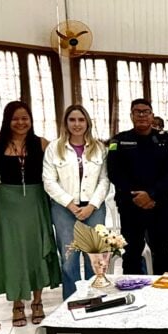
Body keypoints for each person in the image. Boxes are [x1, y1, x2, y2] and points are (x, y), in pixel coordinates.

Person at [0, 102, 61, 326]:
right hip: (8, 203)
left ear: (31, 120)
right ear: (7, 121)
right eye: (15, 119)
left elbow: (53, 173)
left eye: (25, 118)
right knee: (13, 251)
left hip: (36, 200)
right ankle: (17, 302)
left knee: (36, 248)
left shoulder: (42, 143)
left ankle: (37, 301)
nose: (20, 123)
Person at [43, 105, 110, 299]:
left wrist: (91, 206)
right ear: (65, 123)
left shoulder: (99, 148)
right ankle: (71, 302)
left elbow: (104, 180)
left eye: (81, 120)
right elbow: (49, 181)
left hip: (93, 208)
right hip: (64, 210)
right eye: (72, 120)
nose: (77, 124)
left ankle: (94, 298)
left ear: (87, 122)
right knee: (69, 259)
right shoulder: (54, 148)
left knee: (95, 257)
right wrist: (70, 205)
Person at [107, 99, 168, 276]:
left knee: (162, 251)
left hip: (158, 204)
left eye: (145, 111)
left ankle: (164, 294)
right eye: (137, 112)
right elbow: (115, 173)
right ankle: (133, 292)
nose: (141, 115)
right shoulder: (119, 140)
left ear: (152, 115)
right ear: (131, 115)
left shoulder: (164, 139)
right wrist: (137, 197)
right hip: (130, 206)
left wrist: (151, 194)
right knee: (131, 253)